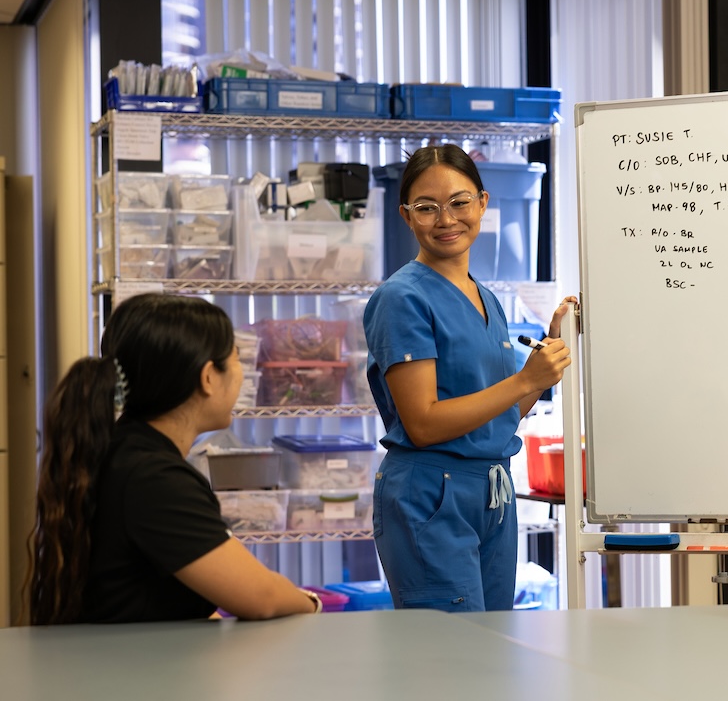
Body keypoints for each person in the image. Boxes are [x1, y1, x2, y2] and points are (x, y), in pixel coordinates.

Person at [26, 293, 322, 624]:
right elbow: (260, 597)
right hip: (127, 657)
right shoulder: (154, 479)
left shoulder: (126, 450)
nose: (243, 374)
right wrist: (312, 604)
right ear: (208, 377)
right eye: (237, 359)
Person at [364, 143, 573, 612]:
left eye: (459, 202)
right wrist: (524, 381)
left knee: (491, 644)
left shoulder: (487, 298)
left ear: (482, 203)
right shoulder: (402, 298)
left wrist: (545, 365)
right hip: (432, 497)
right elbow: (423, 423)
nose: (446, 219)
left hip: (492, 493)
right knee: (451, 650)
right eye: (426, 208)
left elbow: (500, 415)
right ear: (406, 216)